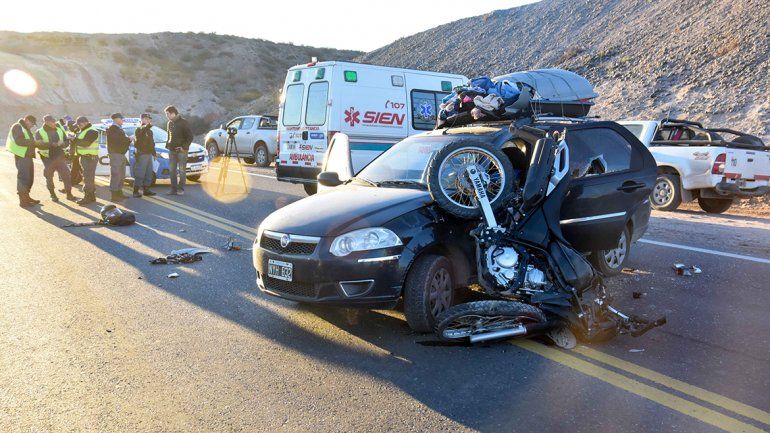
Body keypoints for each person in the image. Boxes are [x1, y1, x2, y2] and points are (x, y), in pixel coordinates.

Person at [35, 115, 75, 202]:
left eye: (54, 121)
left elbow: (66, 141)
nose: (54, 123)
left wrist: (63, 144)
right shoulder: (39, 132)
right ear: (46, 122)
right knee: (49, 177)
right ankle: (52, 194)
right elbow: (38, 144)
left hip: (60, 157)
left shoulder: (59, 129)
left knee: (66, 175)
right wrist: (52, 144)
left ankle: (69, 194)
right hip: (47, 158)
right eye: (52, 122)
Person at [5, 115, 40, 207]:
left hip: (27, 156)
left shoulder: (24, 128)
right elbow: (19, 141)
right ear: (27, 120)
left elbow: (29, 141)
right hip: (22, 156)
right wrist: (34, 142)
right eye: (32, 124)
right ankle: (23, 201)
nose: (32, 126)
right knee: (24, 178)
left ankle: (26, 197)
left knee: (29, 178)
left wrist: (37, 143)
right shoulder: (18, 127)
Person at [70, 116, 99, 206]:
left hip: (89, 158)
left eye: (79, 124)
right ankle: (91, 196)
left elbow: (86, 143)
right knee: (89, 178)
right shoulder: (84, 130)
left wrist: (74, 139)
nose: (78, 126)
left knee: (88, 178)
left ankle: (87, 197)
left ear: (84, 123)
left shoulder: (92, 131)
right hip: (85, 157)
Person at [164, 105, 192, 196]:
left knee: (182, 170)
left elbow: (190, 137)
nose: (166, 115)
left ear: (173, 113)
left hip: (182, 151)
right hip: (171, 151)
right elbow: (169, 135)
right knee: (172, 170)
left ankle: (181, 188)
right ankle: (173, 189)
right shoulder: (169, 123)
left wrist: (183, 147)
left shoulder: (184, 122)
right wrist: (167, 145)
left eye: (167, 114)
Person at [106, 113, 132, 201]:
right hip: (116, 154)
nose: (122, 120)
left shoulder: (118, 129)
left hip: (120, 154)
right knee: (116, 174)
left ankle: (119, 192)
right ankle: (114, 195)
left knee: (121, 175)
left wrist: (128, 139)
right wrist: (129, 139)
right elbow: (118, 141)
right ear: (116, 119)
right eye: (121, 119)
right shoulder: (113, 129)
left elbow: (121, 140)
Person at [132, 113, 157, 197]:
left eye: (149, 119)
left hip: (149, 154)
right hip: (142, 154)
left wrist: (154, 153)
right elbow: (138, 138)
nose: (148, 120)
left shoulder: (150, 131)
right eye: (146, 119)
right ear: (142, 119)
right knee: (140, 173)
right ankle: (135, 191)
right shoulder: (139, 129)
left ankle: (146, 190)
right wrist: (147, 127)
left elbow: (152, 143)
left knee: (149, 173)